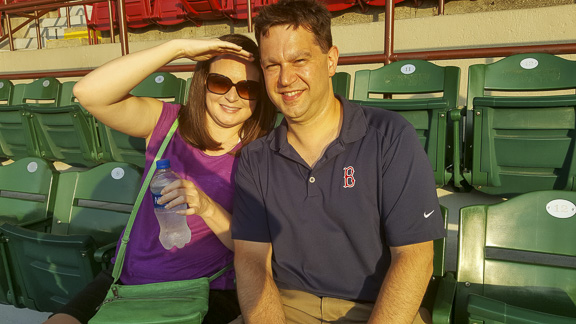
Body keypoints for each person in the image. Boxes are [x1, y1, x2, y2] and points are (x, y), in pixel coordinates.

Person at [230, 0, 447, 323]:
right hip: (286, 308)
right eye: (271, 65)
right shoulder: (254, 158)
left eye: (299, 60)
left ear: (331, 61)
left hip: (376, 309)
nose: (285, 79)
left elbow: (415, 257)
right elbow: (250, 260)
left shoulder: (389, 137)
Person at [44, 34, 276, 324]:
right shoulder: (167, 122)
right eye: (220, 82)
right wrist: (177, 47)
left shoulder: (263, 153)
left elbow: (254, 248)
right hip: (127, 279)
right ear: (203, 81)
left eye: (248, 88)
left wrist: (206, 207)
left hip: (206, 288)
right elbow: (88, 92)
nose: (232, 96)